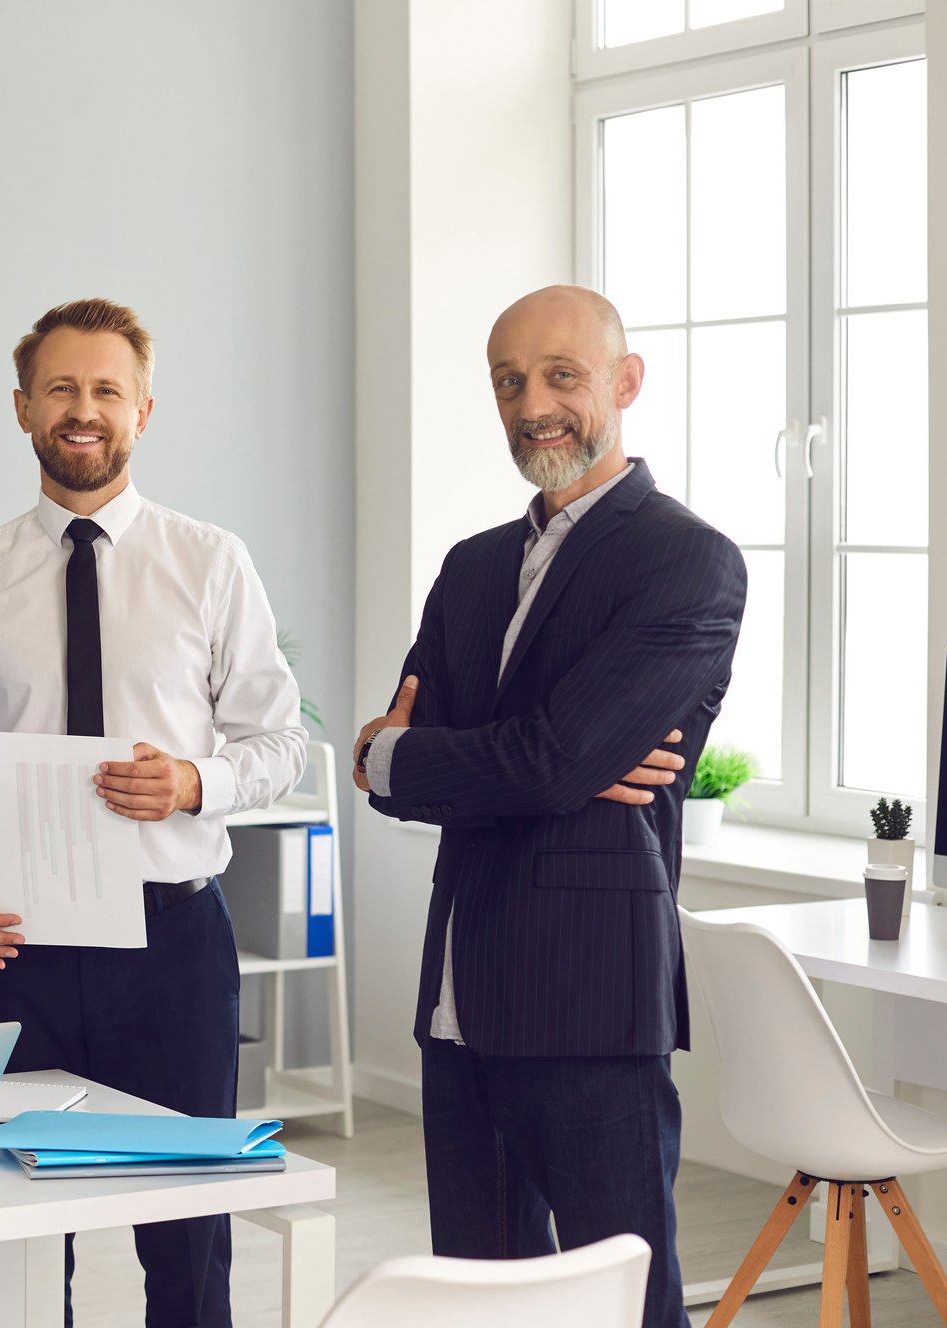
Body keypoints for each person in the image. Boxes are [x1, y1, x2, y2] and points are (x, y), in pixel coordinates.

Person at [0, 298, 311, 1327]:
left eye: (106, 390)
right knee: (18, 1232)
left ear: (143, 409)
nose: (83, 409)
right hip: (15, 944)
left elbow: (279, 741)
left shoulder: (211, 562)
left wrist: (193, 783)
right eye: (62, 389)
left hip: (171, 944)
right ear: (23, 407)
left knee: (184, 1231)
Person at [353, 285, 747, 1328]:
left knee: (624, 1299)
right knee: (478, 1301)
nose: (535, 404)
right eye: (509, 381)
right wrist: (428, 757)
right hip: (457, 999)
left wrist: (433, 754)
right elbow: (401, 766)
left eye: (561, 375)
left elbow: (542, 763)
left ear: (625, 382)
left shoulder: (685, 558)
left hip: (588, 1003)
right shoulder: (472, 565)